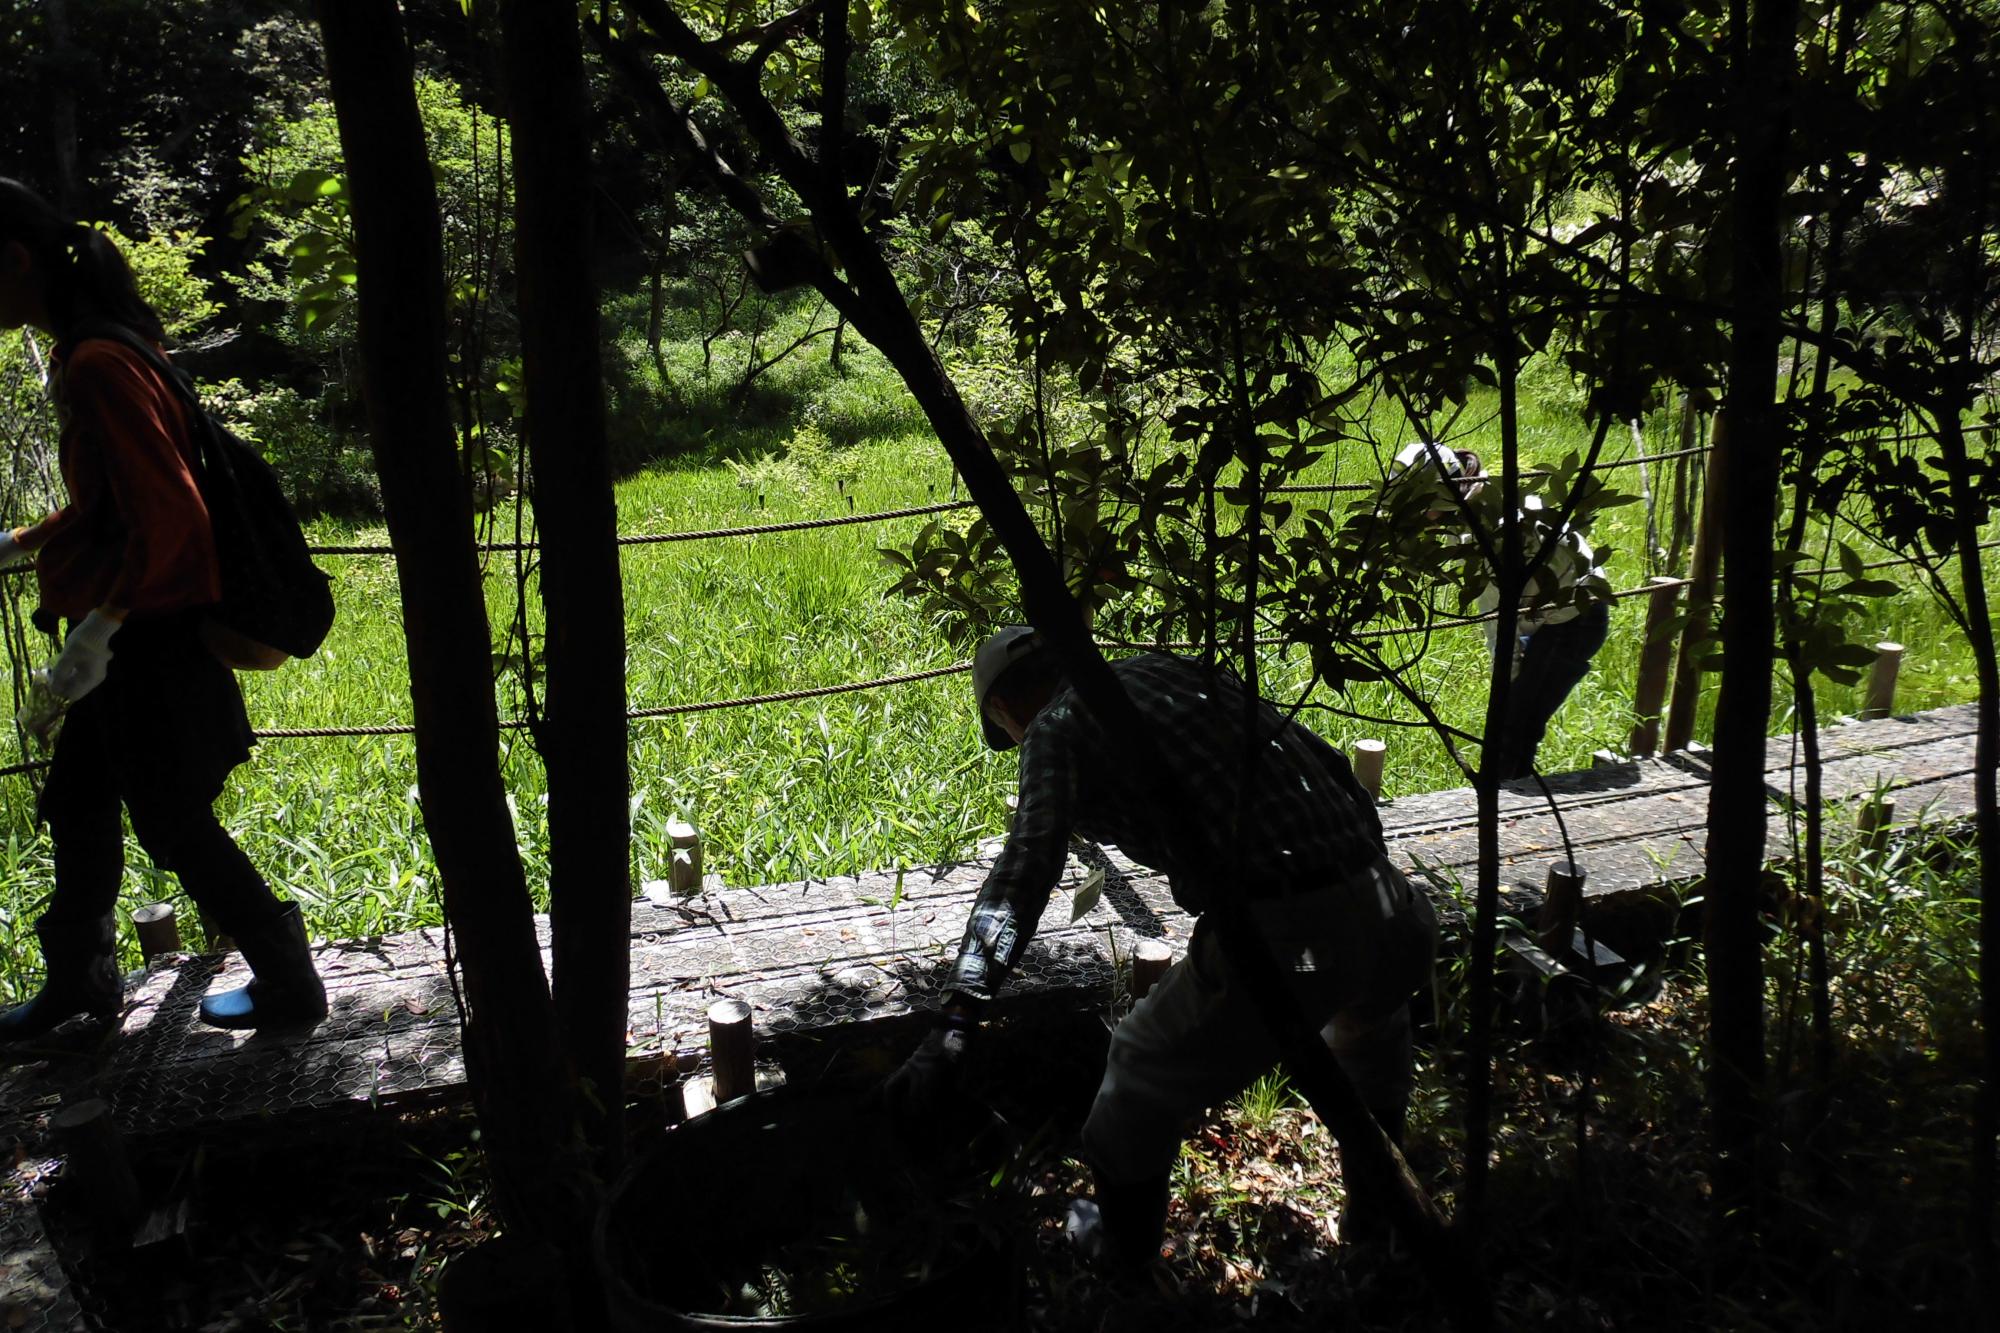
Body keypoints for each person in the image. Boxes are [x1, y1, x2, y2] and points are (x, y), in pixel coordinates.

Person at [884, 627, 1438, 1271]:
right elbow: (1337, 769)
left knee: (1137, 1078)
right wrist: (1349, 886)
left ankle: (1126, 1276)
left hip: (1290, 930)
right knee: (1370, 1049)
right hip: (1390, 903)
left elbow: (1024, 872)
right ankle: (1379, 1236)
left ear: (1004, 710)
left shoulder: (1054, 724)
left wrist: (955, 1022)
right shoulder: (1173, 672)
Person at [0, 177, 326, 1040]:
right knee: (78, 799)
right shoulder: (116, 347)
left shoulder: (97, 362)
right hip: (137, 631)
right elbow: (122, 497)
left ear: (16, 260)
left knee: (172, 821)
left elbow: (172, 518)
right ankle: (79, 982)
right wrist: (28, 541)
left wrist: (101, 628)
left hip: (148, 636)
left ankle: (290, 986)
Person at [1391, 441, 1610, 780]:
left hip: (1576, 617)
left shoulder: (1489, 535)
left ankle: (1506, 803)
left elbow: (1500, 626)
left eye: (1421, 508)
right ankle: (1508, 793)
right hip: (1550, 609)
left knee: (1517, 721)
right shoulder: (1478, 511)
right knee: (1516, 719)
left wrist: (1507, 686)